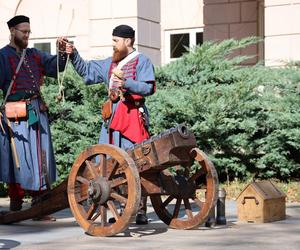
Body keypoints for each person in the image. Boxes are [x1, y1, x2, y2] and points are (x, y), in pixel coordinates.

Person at [65, 24, 155, 224]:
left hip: (132, 118)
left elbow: (148, 87)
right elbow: (87, 70)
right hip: (112, 119)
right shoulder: (110, 63)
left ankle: (139, 210)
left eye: (116, 41)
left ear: (128, 41)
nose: (113, 44)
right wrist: (73, 54)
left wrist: (127, 84)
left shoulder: (142, 61)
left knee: (136, 163)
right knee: (109, 164)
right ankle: (121, 209)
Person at [0, 15, 68, 220]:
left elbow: (57, 67)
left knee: (41, 156)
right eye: (24, 31)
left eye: (29, 31)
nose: (27, 35)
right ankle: (16, 200)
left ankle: (40, 204)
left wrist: (62, 51)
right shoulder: (2, 56)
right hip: (15, 114)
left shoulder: (35, 54)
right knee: (18, 159)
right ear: (12, 31)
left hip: (37, 111)